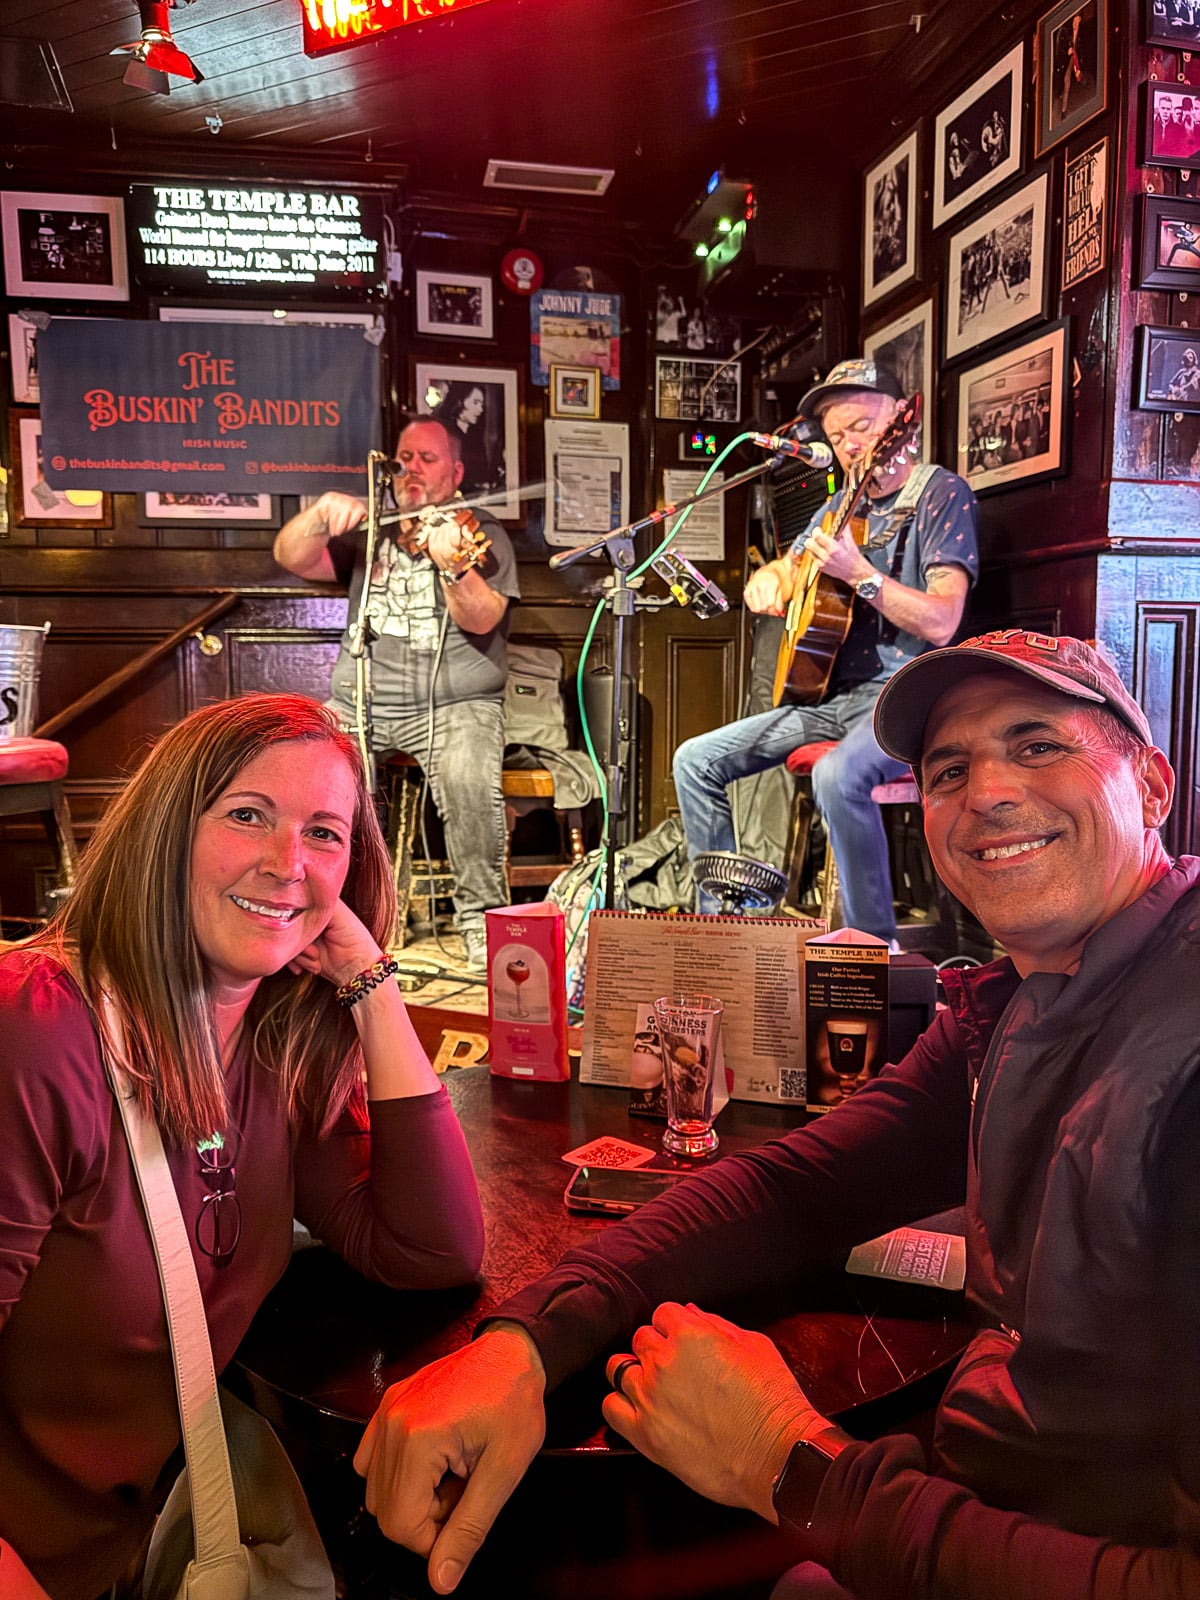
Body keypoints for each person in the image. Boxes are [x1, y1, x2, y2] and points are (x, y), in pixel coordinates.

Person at [353, 630, 1199, 1600]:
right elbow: (790, 1191)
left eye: (1039, 743)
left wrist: (793, 1466)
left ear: (1153, 784)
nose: (989, 793)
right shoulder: (1009, 1006)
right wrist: (524, 1339)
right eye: (949, 768)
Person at [0, 693, 484, 1600]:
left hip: (151, 1557)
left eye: (326, 834)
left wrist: (371, 982)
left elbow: (434, 1250)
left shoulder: (275, 1043)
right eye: (248, 815)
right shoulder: (35, 1029)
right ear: (167, 830)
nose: (287, 864)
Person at [672, 358, 979, 943]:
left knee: (838, 776)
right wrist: (769, 581)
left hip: (907, 698)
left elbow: (943, 621)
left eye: (861, 427)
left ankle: (870, 947)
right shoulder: (838, 507)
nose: (849, 446)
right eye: (837, 436)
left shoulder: (941, 494)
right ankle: (727, 936)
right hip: (829, 698)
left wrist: (861, 574)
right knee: (695, 760)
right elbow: (791, 570)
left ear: (897, 421)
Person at [274, 417, 520, 972]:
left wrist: (452, 566)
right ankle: (341, 918)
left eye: (427, 459)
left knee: (466, 784)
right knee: (314, 778)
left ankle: (481, 922)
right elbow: (291, 555)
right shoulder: (374, 528)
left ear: (455, 473)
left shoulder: (481, 531)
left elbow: (482, 619)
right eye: (404, 458)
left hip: (458, 703)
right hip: (362, 697)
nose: (411, 468)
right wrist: (318, 515)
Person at [432, 381, 502, 502]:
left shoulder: (475, 438)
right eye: (475, 403)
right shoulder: (445, 435)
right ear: (460, 401)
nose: (480, 410)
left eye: (482, 405)